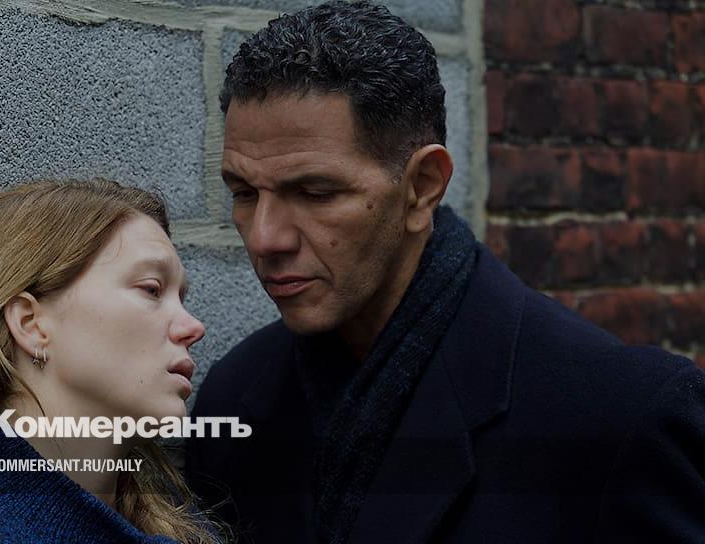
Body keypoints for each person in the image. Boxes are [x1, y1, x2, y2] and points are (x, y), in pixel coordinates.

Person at [185, 2, 705, 543]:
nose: (265, 238)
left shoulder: (620, 415)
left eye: (315, 192)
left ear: (423, 186)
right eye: (243, 193)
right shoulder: (233, 398)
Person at [0, 180, 224, 543]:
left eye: (181, 298)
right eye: (151, 289)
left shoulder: (185, 531)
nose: (193, 327)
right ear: (31, 324)